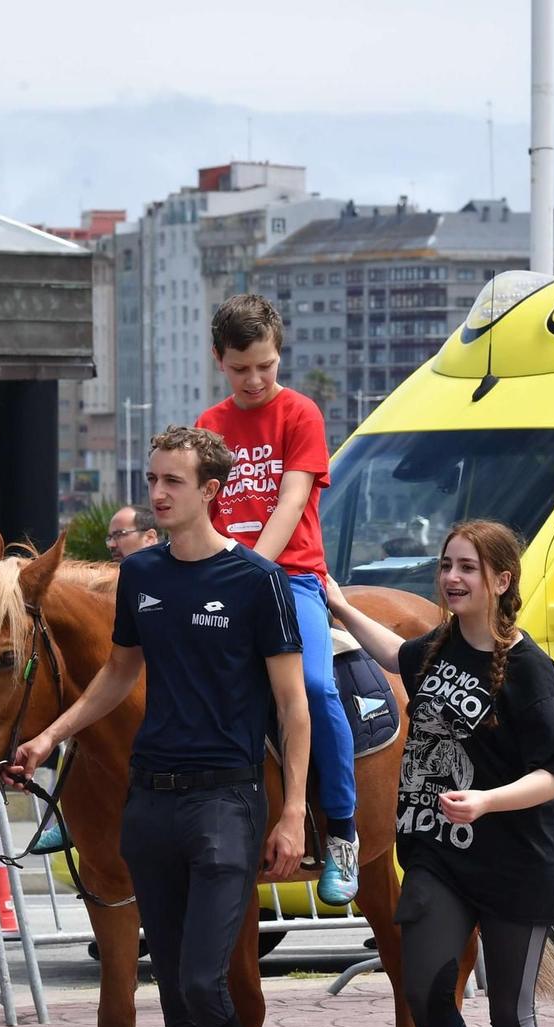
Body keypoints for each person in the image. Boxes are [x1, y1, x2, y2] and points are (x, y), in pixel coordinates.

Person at [5, 425, 310, 1027]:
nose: (159, 493)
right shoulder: (140, 574)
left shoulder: (255, 581)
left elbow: (292, 704)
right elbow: (118, 673)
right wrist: (50, 735)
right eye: (153, 479)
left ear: (212, 489)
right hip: (152, 803)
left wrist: (294, 807)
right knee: (176, 992)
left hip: (226, 803)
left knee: (207, 982)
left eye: (173, 480)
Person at [326, 520, 554, 1027]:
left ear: (501, 580)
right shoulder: (434, 650)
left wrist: (490, 800)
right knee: (426, 988)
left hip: (517, 859)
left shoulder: (528, 668)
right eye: (446, 565)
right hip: (438, 855)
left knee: (510, 1013)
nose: (452, 576)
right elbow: (393, 652)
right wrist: (341, 605)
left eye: (467, 566)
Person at [197, 294, 361, 906]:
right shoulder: (208, 427)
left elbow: (291, 502)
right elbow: (200, 511)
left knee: (316, 687)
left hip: (289, 578)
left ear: (278, 354)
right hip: (223, 578)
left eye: (265, 365)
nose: (255, 379)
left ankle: (341, 830)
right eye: (241, 369)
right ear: (220, 360)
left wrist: (250, 571)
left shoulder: (301, 414)